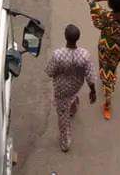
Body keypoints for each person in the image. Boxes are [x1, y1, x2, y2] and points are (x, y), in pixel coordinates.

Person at [45, 23, 96, 152]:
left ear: (65, 37)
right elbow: (90, 76)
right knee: (72, 96)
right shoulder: (85, 55)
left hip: (61, 88)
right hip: (76, 86)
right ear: (77, 38)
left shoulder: (58, 55)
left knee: (62, 115)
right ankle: (73, 107)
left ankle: (65, 140)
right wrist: (92, 91)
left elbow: (50, 72)